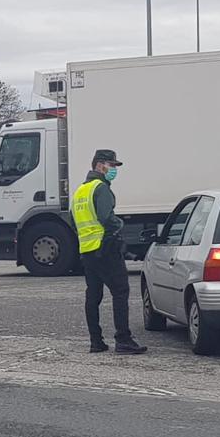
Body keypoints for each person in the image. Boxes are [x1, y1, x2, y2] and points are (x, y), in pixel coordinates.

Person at [72, 149, 148, 355]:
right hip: (105, 248)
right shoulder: (100, 188)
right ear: (99, 165)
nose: (114, 169)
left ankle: (96, 341)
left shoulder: (80, 191)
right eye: (111, 165)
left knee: (93, 295)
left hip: (87, 251)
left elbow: (74, 221)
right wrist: (120, 224)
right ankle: (123, 339)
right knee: (120, 291)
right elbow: (106, 217)